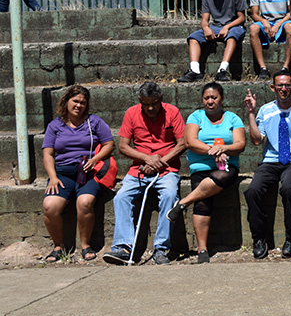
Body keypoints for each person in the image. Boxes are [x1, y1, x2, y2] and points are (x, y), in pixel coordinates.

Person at [102, 83, 187, 266]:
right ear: (140, 101)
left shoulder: (172, 112)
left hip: (167, 169)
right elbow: (123, 146)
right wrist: (146, 159)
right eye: (146, 104)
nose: (150, 108)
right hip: (139, 169)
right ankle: (123, 247)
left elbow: (182, 144)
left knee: (170, 195)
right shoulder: (131, 113)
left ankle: (161, 248)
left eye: (154, 103)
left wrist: (158, 163)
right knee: (121, 197)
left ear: (161, 99)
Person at [167, 82, 246, 263]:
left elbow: (240, 144)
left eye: (214, 97)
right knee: (202, 203)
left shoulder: (233, 118)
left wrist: (224, 149)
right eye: (206, 98)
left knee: (221, 176)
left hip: (226, 167)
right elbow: (190, 142)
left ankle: (183, 203)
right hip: (201, 167)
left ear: (222, 99)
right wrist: (214, 149)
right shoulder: (196, 116)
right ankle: (203, 249)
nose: (210, 101)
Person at [243, 70, 291, 260]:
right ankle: (259, 238)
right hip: (271, 160)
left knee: (289, 188)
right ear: (273, 87)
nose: (284, 89)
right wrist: (251, 113)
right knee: (252, 191)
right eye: (280, 85)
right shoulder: (266, 111)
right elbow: (257, 141)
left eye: (287, 85)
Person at [41, 86, 116, 262]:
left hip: (88, 173)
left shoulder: (94, 122)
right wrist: (52, 177)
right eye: (75, 101)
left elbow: (109, 144)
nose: (78, 105)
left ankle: (85, 245)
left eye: (83, 102)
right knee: (50, 206)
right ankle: (58, 246)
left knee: (85, 202)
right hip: (62, 174)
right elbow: (47, 154)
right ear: (66, 101)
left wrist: (95, 159)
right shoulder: (55, 125)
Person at [179, 0, 246, 83]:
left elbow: (242, 18)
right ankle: (195, 71)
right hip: (216, 26)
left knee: (231, 37)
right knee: (193, 37)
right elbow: (204, 20)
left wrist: (227, 27)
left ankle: (222, 70)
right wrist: (206, 28)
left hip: (234, 25)